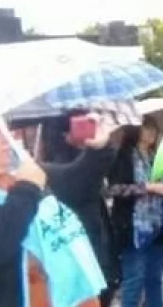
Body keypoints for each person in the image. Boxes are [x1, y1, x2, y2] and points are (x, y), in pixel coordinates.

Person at [0, 120, 104, 307]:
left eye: (7, 130)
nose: (7, 138)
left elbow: (79, 182)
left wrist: (98, 149)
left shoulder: (24, 175)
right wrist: (26, 189)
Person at [41, 113, 121, 307]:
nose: (87, 128)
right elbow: (77, 178)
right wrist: (99, 147)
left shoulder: (77, 157)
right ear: (64, 133)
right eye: (80, 124)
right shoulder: (55, 166)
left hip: (95, 251)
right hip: (78, 260)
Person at [107, 117, 163, 307]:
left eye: (154, 128)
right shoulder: (123, 157)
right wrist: (146, 187)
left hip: (159, 226)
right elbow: (113, 189)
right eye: (147, 127)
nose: (152, 132)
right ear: (135, 130)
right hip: (134, 229)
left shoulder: (157, 157)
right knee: (134, 281)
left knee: (155, 279)